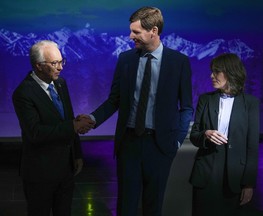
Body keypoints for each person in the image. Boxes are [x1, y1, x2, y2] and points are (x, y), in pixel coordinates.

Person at [78, 6, 193, 216]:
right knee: (126, 206)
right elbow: (115, 100)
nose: (131, 36)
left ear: (154, 31)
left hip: (160, 147)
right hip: (128, 144)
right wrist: (92, 119)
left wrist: (176, 141)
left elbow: (186, 108)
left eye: (136, 32)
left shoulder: (179, 62)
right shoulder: (126, 59)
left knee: (153, 206)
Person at [12, 40, 95, 216]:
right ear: (39, 66)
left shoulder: (60, 84)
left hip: (66, 168)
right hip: (40, 173)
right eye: (54, 63)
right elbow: (35, 133)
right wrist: (73, 125)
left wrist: (77, 154)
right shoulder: (23, 93)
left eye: (61, 61)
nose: (60, 67)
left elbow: (68, 119)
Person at [189, 53, 259, 216]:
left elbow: (252, 147)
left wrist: (249, 184)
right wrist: (206, 134)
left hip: (236, 175)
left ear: (231, 72)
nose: (211, 76)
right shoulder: (205, 99)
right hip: (206, 172)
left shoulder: (250, 103)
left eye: (216, 71)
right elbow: (194, 135)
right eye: (211, 71)